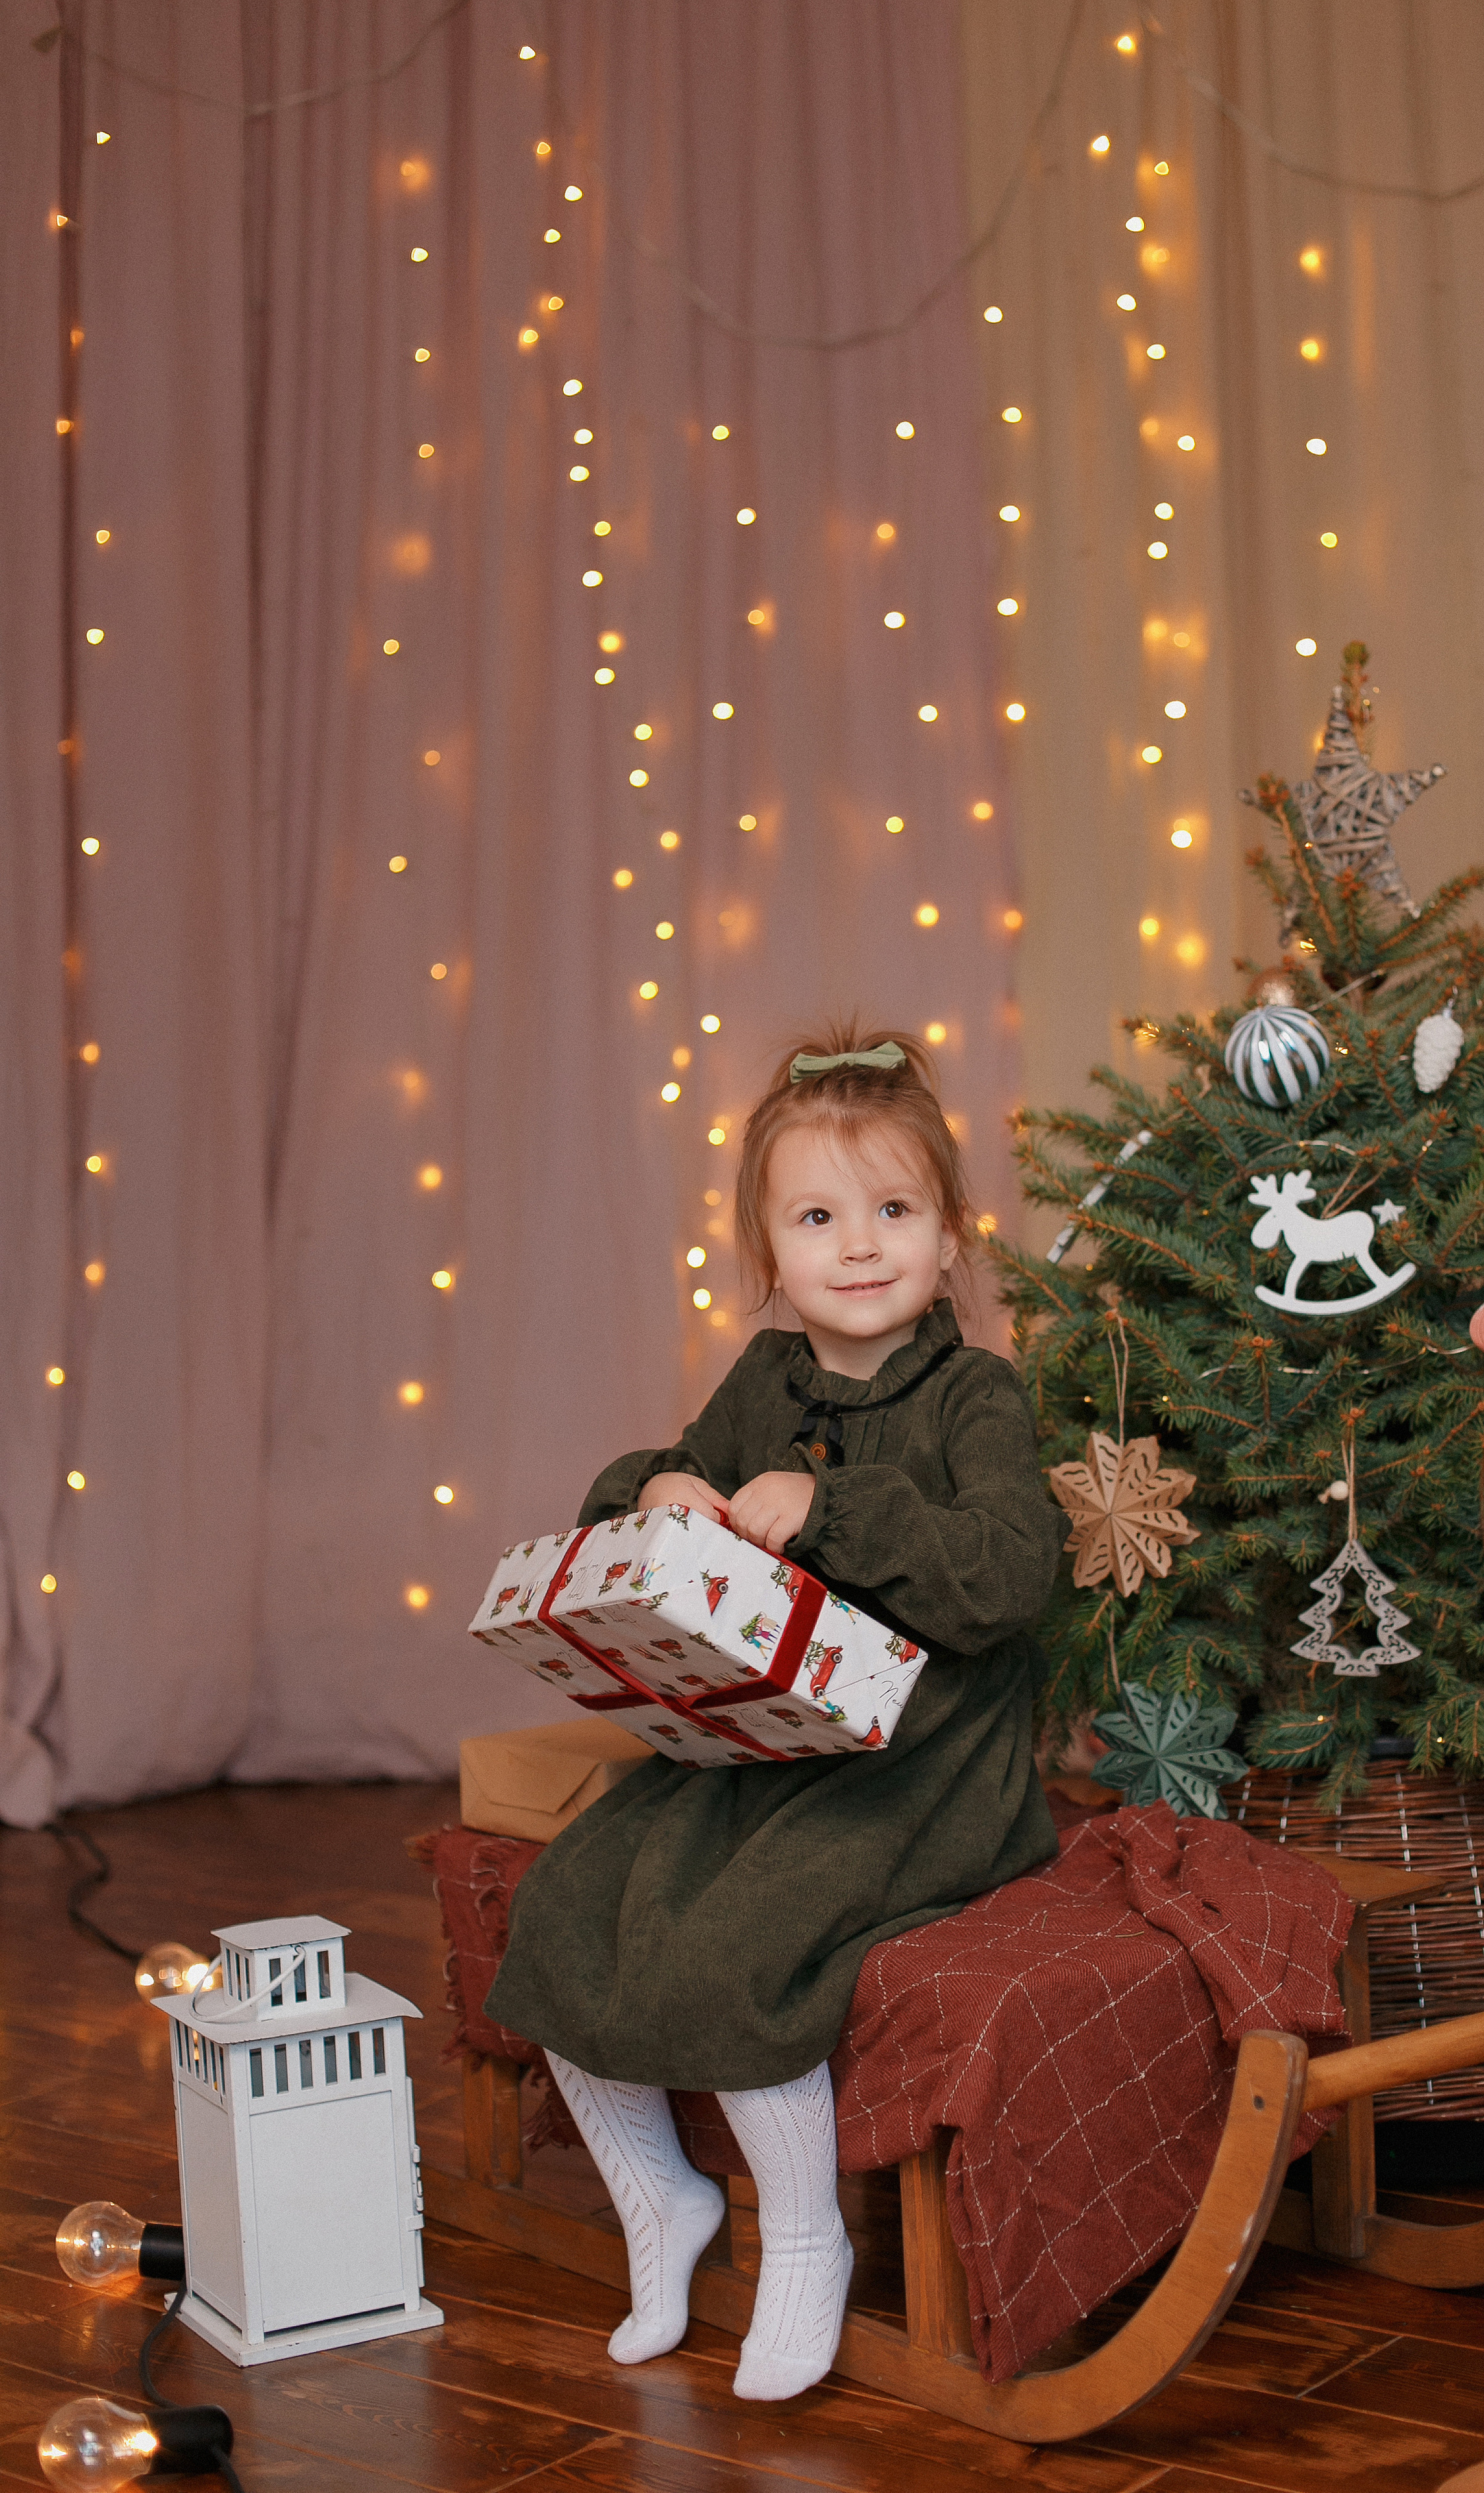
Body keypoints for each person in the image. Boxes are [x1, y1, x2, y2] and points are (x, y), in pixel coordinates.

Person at [487, 1023, 1064, 2401]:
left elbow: (1006, 1577)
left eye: (892, 1211)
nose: (856, 1246)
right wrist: (659, 1489)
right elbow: (679, 1483)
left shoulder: (972, 1394)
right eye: (816, 1217)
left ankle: (803, 2242)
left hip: (923, 1763)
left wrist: (837, 1507)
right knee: (571, 1901)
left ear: (947, 1236)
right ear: (765, 1247)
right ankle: (661, 2200)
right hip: (766, 1741)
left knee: (741, 1941)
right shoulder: (763, 1382)